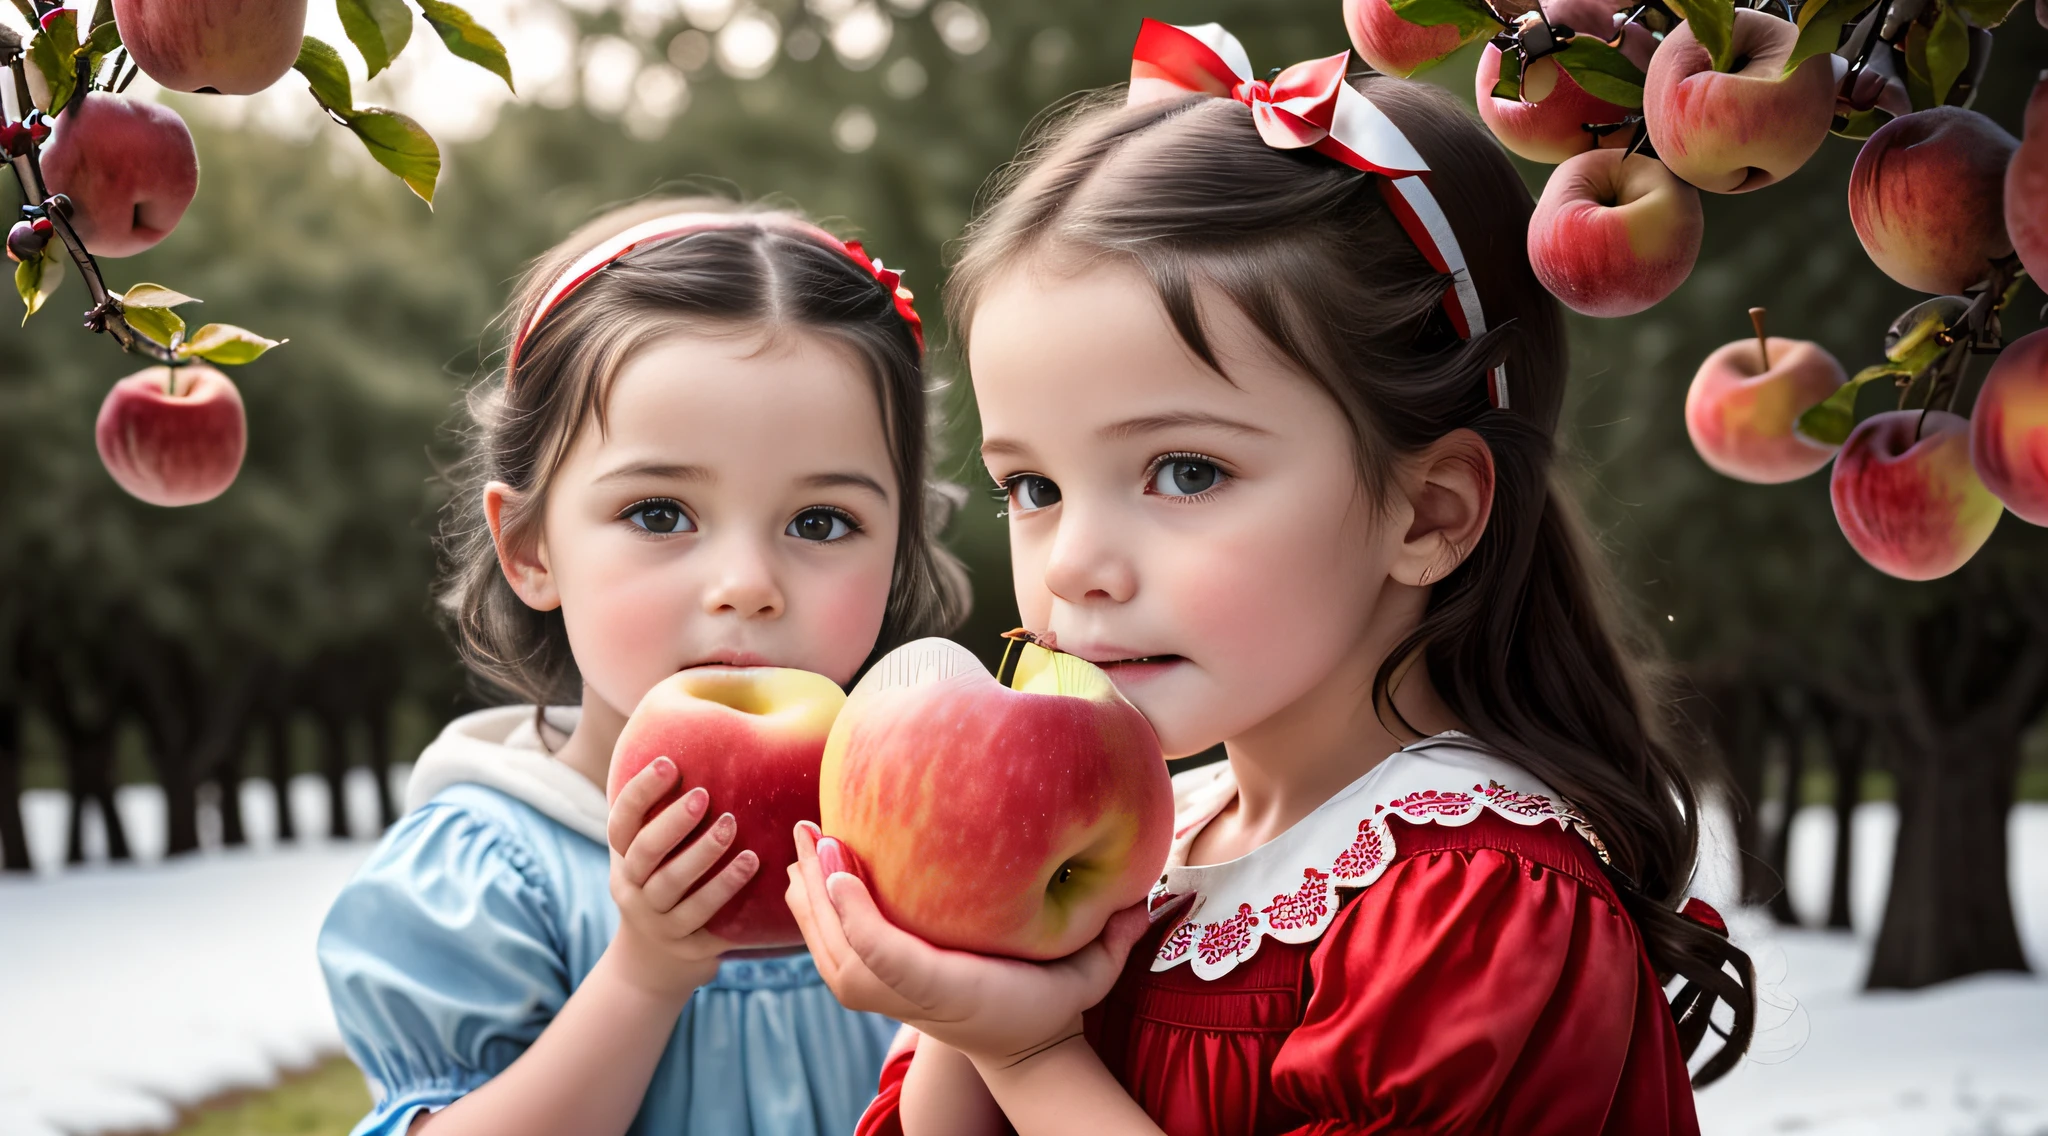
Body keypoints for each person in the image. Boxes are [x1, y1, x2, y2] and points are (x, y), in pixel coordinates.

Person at [783, 22, 1756, 1136]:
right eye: (1032, 487)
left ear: (1428, 512)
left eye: (1183, 470)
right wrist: (964, 994)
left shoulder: (1468, 905)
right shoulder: (1136, 847)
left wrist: (1032, 1048)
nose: (1074, 567)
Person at [317, 197, 969, 1136]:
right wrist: (643, 973)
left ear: (898, 547)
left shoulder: (914, 838)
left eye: (821, 522)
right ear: (532, 547)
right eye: (661, 513)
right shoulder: (499, 874)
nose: (748, 585)